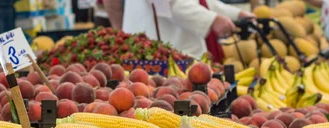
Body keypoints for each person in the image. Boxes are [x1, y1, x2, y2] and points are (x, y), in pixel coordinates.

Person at [105, 0, 254, 62]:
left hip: (180, 52)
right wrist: (212, 19)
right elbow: (171, 5)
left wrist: (236, 14)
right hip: (161, 56)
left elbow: (197, 1)